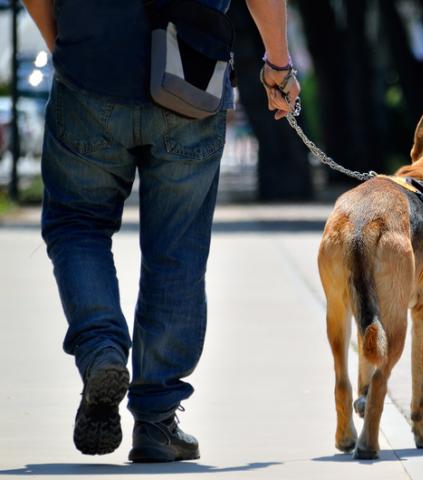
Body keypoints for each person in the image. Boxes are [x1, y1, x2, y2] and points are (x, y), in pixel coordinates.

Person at [22, 0, 300, 463]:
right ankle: (156, 419)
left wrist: (63, 46)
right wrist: (278, 64)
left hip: (91, 67)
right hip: (189, 69)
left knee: (77, 224)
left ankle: (101, 347)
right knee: (178, 247)